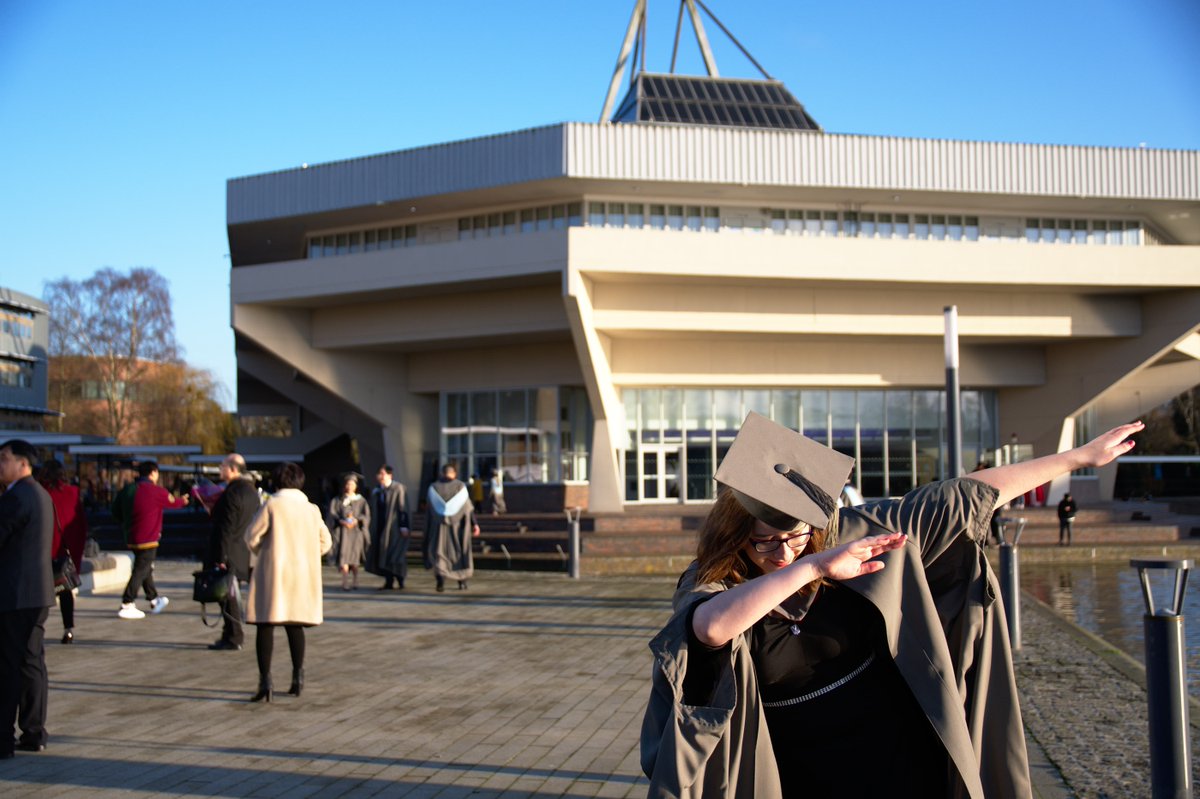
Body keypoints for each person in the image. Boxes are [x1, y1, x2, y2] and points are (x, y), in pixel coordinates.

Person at [640, 412, 1143, 798]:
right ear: (735, 538)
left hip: (897, 749)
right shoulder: (717, 578)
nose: (783, 552)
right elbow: (707, 629)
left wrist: (1077, 458)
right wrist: (813, 569)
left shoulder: (861, 532)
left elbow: (963, 497)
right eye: (763, 542)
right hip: (796, 765)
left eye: (797, 538)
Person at [243, 462, 332, 703]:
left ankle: (266, 681)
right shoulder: (311, 509)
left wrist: (265, 550)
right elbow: (326, 542)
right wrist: (308, 553)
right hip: (302, 574)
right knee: (295, 625)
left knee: (266, 624)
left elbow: (251, 536)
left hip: (274, 573)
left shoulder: (272, 505)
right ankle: (298, 678)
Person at [0, 439, 54, 758]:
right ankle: (34, 732)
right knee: (31, 662)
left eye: (4, 459)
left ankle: (3, 740)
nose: (0, 465)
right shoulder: (39, 493)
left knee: (7, 667)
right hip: (36, 593)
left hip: (14, 594)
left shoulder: (16, 497)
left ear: (23, 463)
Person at [110, 460, 188, 619]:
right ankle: (127, 602)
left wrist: (126, 524)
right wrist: (184, 501)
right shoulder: (156, 491)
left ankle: (153, 599)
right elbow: (173, 502)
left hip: (131, 537)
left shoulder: (128, 489)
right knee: (141, 569)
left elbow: (115, 511)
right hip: (149, 538)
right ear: (153, 473)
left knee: (145, 567)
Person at [204, 454, 259, 651]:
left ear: (234, 469)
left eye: (223, 465)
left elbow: (226, 528)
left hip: (228, 551)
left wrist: (220, 557)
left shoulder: (232, 493)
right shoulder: (251, 492)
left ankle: (234, 636)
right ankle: (230, 634)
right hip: (243, 550)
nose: (220, 468)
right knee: (230, 595)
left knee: (228, 596)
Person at [37, 460, 87, 644]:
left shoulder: (39, 493)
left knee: (40, 594)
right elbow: (80, 526)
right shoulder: (72, 493)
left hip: (41, 552)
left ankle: (36, 630)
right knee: (65, 592)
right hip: (63, 553)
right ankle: (68, 629)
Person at [423, 464, 480, 592]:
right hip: (457, 527)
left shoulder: (433, 488)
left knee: (440, 552)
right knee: (459, 551)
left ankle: (440, 581)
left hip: (439, 528)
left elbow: (428, 512)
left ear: (442, 473)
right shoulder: (460, 487)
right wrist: (474, 524)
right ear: (454, 474)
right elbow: (468, 509)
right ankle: (462, 581)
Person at [367, 465, 410, 590]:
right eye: (379, 474)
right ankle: (389, 581)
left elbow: (403, 508)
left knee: (395, 553)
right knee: (383, 553)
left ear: (390, 475)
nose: (380, 476)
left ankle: (400, 579)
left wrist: (404, 526)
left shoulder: (398, 489)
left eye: (383, 473)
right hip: (380, 527)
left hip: (394, 528)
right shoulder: (377, 491)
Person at [326, 473, 370, 591]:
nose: (350, 486)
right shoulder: (338, 500)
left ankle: (356, 581)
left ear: (356, 486)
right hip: (343, 533)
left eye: (352, 484)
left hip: (356, 533)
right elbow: (332, 514)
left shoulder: (361, 501)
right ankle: (344, 582)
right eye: (348, 484)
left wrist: (357, 520)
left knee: (355, 558)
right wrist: (340, 521)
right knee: (344, 557)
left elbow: (366, 516)